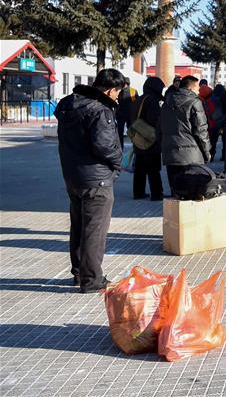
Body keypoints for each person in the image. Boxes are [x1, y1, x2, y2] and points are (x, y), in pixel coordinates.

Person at [54, 68, 125, 293]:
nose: (117, 98)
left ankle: (79, 272)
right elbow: (104, 145)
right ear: (111, 89)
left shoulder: (68, 105)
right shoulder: (100, 110)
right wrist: (118, 161)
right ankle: (92, 278)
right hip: (97, 179)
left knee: (79, 225)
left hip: (73, 175)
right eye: (118, 93)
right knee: (94, 229)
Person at [159, 75, 211, 190]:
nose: (199, 91)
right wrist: (207, 152)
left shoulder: (167, 102)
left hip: (171, 155)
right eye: (197, 88)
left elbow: (161, 126)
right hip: (191, 156)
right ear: (191, 88)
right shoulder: (195, 102)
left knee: (176, 195)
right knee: (190, 196)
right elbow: (201, 130)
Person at [132, 76, 165, 200]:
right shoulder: (153, 100)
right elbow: (154, 120)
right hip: (150, 138)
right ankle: (157, 193)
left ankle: (138, 192)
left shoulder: (139, 99)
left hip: (138, 137)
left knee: (139, 168)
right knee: (153, 168)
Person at [205, 83, 226, 161]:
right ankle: (224, 156)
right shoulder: (224, 98)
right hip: (223, 120)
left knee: (213, 140)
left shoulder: (211, 98)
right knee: (225, 140)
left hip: (214, 122)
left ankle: (212, 155)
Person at [116, 77, 134, 144]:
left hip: (127, 114)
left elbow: (136, 103)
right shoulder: (120, 91)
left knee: (128, 131)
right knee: (121, 131)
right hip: (123, 114)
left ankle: (133, 147)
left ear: (126, 83)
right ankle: (133, 147)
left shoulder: (132, 91)